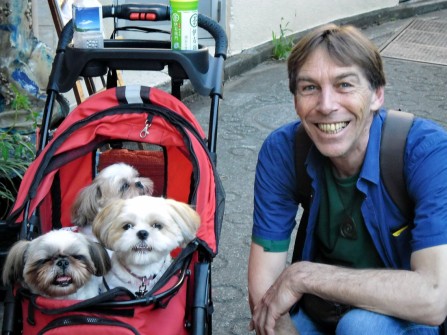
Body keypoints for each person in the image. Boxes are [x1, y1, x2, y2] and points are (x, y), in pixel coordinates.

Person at [248, 23, 447, 335]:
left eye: (344, 85)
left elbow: (434, 298)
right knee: (271, 319)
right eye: (309, 87)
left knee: (361, 326)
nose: (326, 106)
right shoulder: (283, 151)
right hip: (323, 310)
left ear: (377, 94)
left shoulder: (427, 151)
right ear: (295, 100)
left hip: (404, 314)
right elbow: (263, 285)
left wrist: (302, 276)